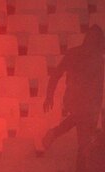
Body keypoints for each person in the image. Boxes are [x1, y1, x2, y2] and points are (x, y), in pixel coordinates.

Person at [42, 25, 105, 155]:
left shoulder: (96, 58)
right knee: (85, 142)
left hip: (86, 104)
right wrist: (49, 95)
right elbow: (57, 74)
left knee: (84, 141)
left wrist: (50, 95)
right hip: (83, 103)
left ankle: (55, 133)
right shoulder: (95, 58)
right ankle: (56, 133)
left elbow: (56, 74)